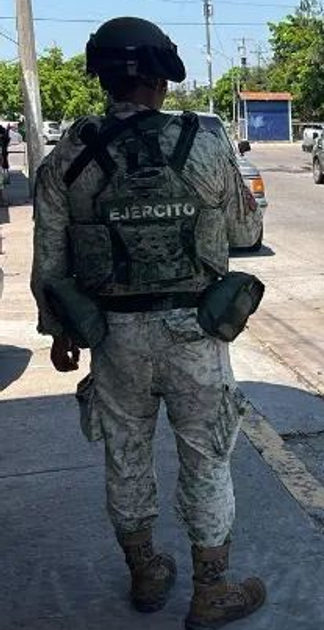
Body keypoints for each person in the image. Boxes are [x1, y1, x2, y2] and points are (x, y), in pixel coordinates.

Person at [29, 17, 266, 629]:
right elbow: (243, 232)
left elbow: (51, 260)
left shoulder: (69, 156)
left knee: (126, 457)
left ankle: (146, 575)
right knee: (207, 457)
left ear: (101, 78)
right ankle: (211, 590)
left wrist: (59, 332)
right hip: (196, 335)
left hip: (114, 338)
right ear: (162, 79)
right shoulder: (207, 145)